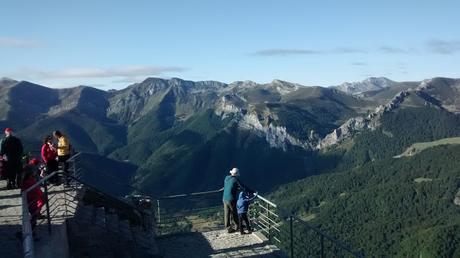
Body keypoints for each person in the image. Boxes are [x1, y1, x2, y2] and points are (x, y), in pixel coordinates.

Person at [222, 167, 254, 233]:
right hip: (231, 199)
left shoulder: (226, 177)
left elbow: (227, 185)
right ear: (236, 174)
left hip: (224, 198)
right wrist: (251, 191)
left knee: (227, 213)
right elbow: (243, 187)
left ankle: (228, 227)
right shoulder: (235, 180)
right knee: (234, 213)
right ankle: (238, 226)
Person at [21, 164, 45, 240]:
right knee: (33, 217)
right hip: (31, 201)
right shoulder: (28, 181)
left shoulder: (28, 180)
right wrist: (41, 195)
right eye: (34, 172)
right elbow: (35, 190)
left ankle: (30, 231)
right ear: (31, 173)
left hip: (32, 200)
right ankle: (30, 233)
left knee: (34, 217)